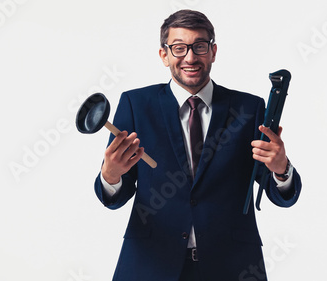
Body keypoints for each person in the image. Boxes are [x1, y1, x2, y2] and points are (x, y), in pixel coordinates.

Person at [93, 9, 302, 281]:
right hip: (151, 265)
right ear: (164, 55)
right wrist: (110, 175)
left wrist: (281, 168)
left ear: (213, 52)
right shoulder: (136, 105)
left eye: (199, 47)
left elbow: (281, 195)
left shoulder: (249, 108)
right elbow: (114, 198)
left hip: (232, 266)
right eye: (179, 48)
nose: (190, 57)